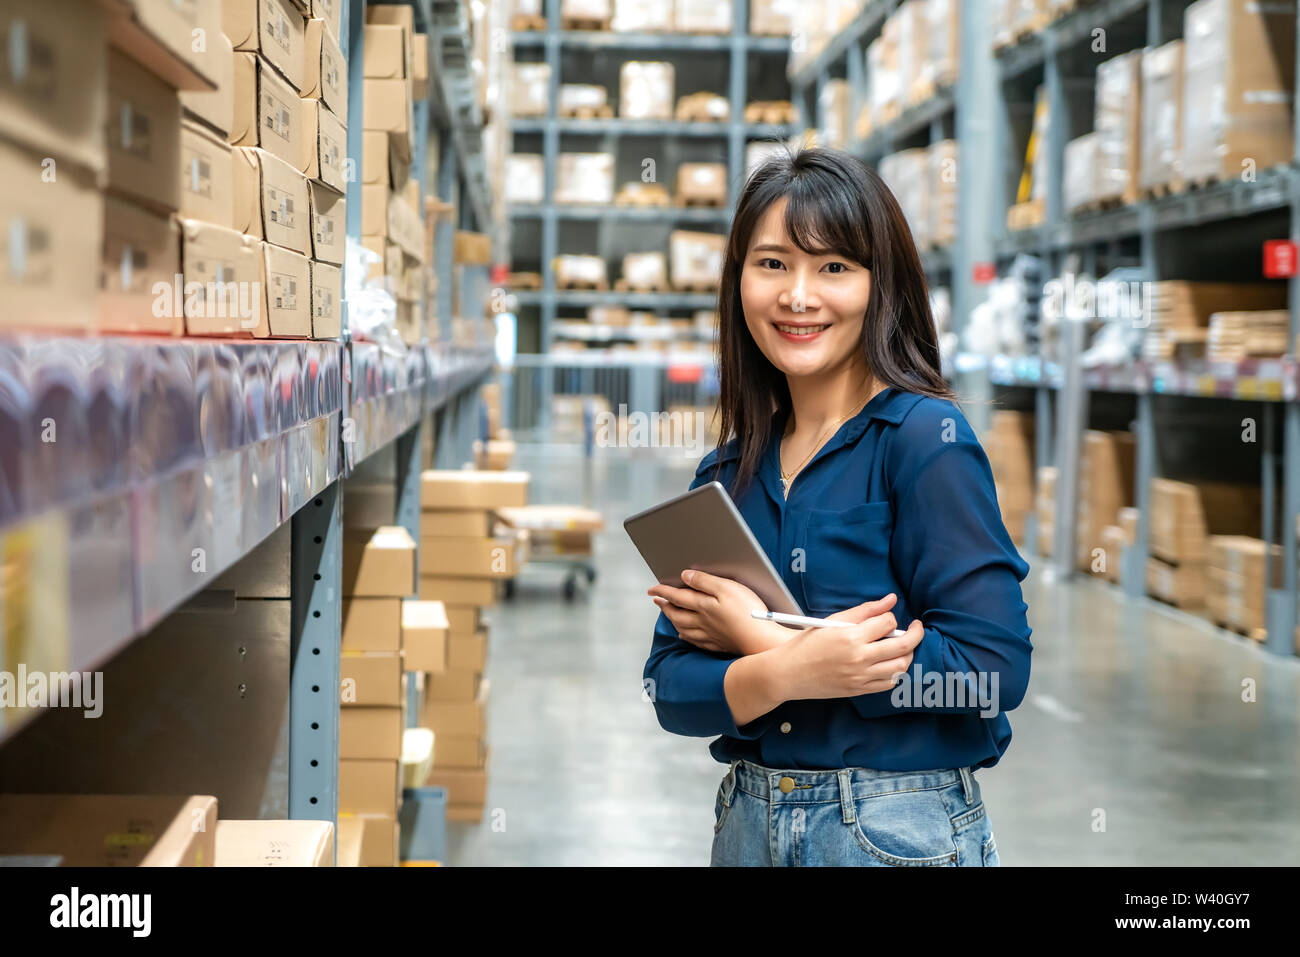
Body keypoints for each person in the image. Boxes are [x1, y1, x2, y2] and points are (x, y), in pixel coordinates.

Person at [642, 147, 1032, 867]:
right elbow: (669, 687)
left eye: (834, 267)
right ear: (738, 280)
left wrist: (758, 638)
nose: (798, 296)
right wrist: (790, 671)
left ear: (881, 285)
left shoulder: (924, 440)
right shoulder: (726, 475)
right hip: (747, 826)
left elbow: (992, 671)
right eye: (772, 263)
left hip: (895, 831)